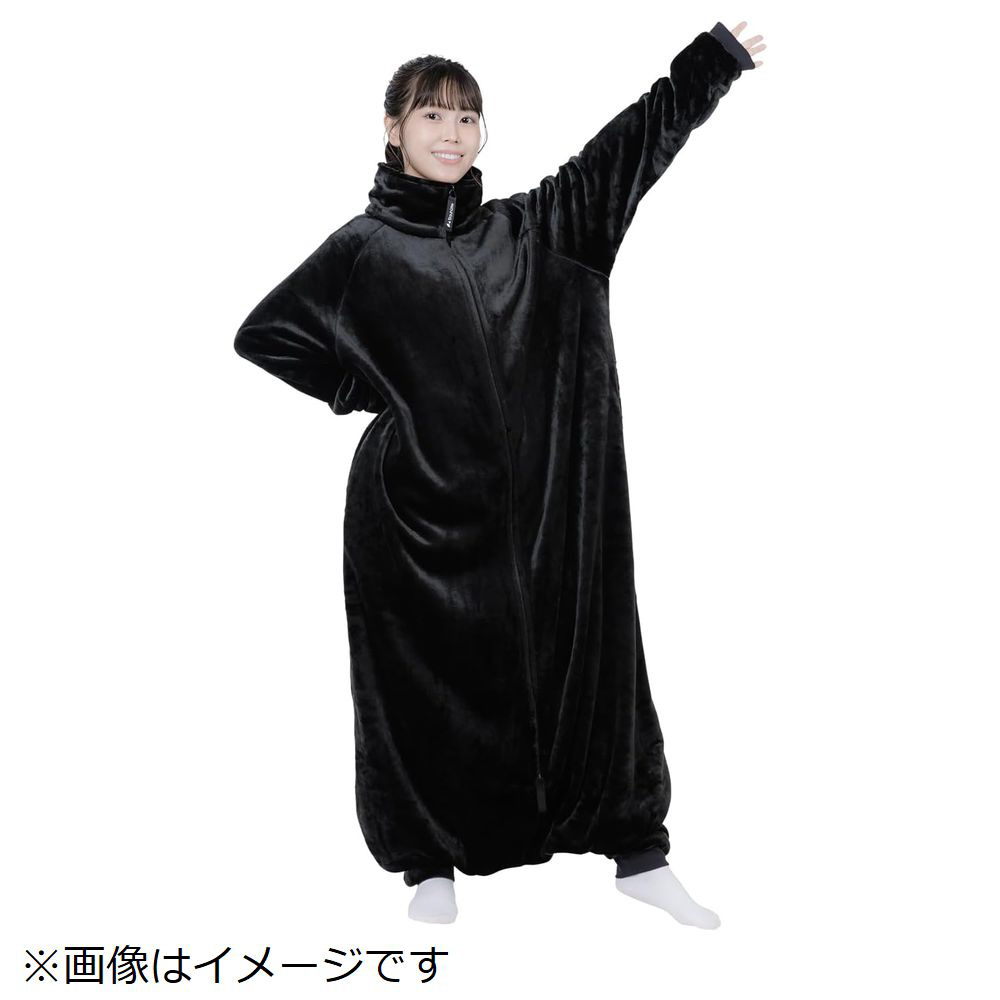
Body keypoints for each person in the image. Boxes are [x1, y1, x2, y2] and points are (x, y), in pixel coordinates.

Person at [234, 20, 765, 928]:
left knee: (594, 667)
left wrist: (712, 64)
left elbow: (630, 147)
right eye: (432, 115)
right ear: (393, 129)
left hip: (561, 510)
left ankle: (637, 854)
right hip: (418, 522)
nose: (452, 133)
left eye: (467, 117)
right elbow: (266, 334)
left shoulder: (544, 230)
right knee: (424, 689)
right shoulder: (363, 252)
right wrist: (362, 391)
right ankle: (429, 865)